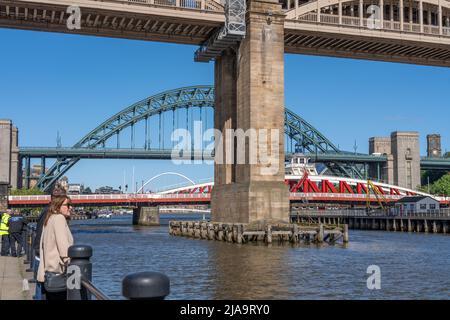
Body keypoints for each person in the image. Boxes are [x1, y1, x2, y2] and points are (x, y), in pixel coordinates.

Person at [37, 189, 74, 300]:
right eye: (68, 205)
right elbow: (64, 250)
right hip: (58, 274)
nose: (71, 207)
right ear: (58, 206)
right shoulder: (59, 219)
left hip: (48, 274)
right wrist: (74, 265)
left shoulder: (50, 218)